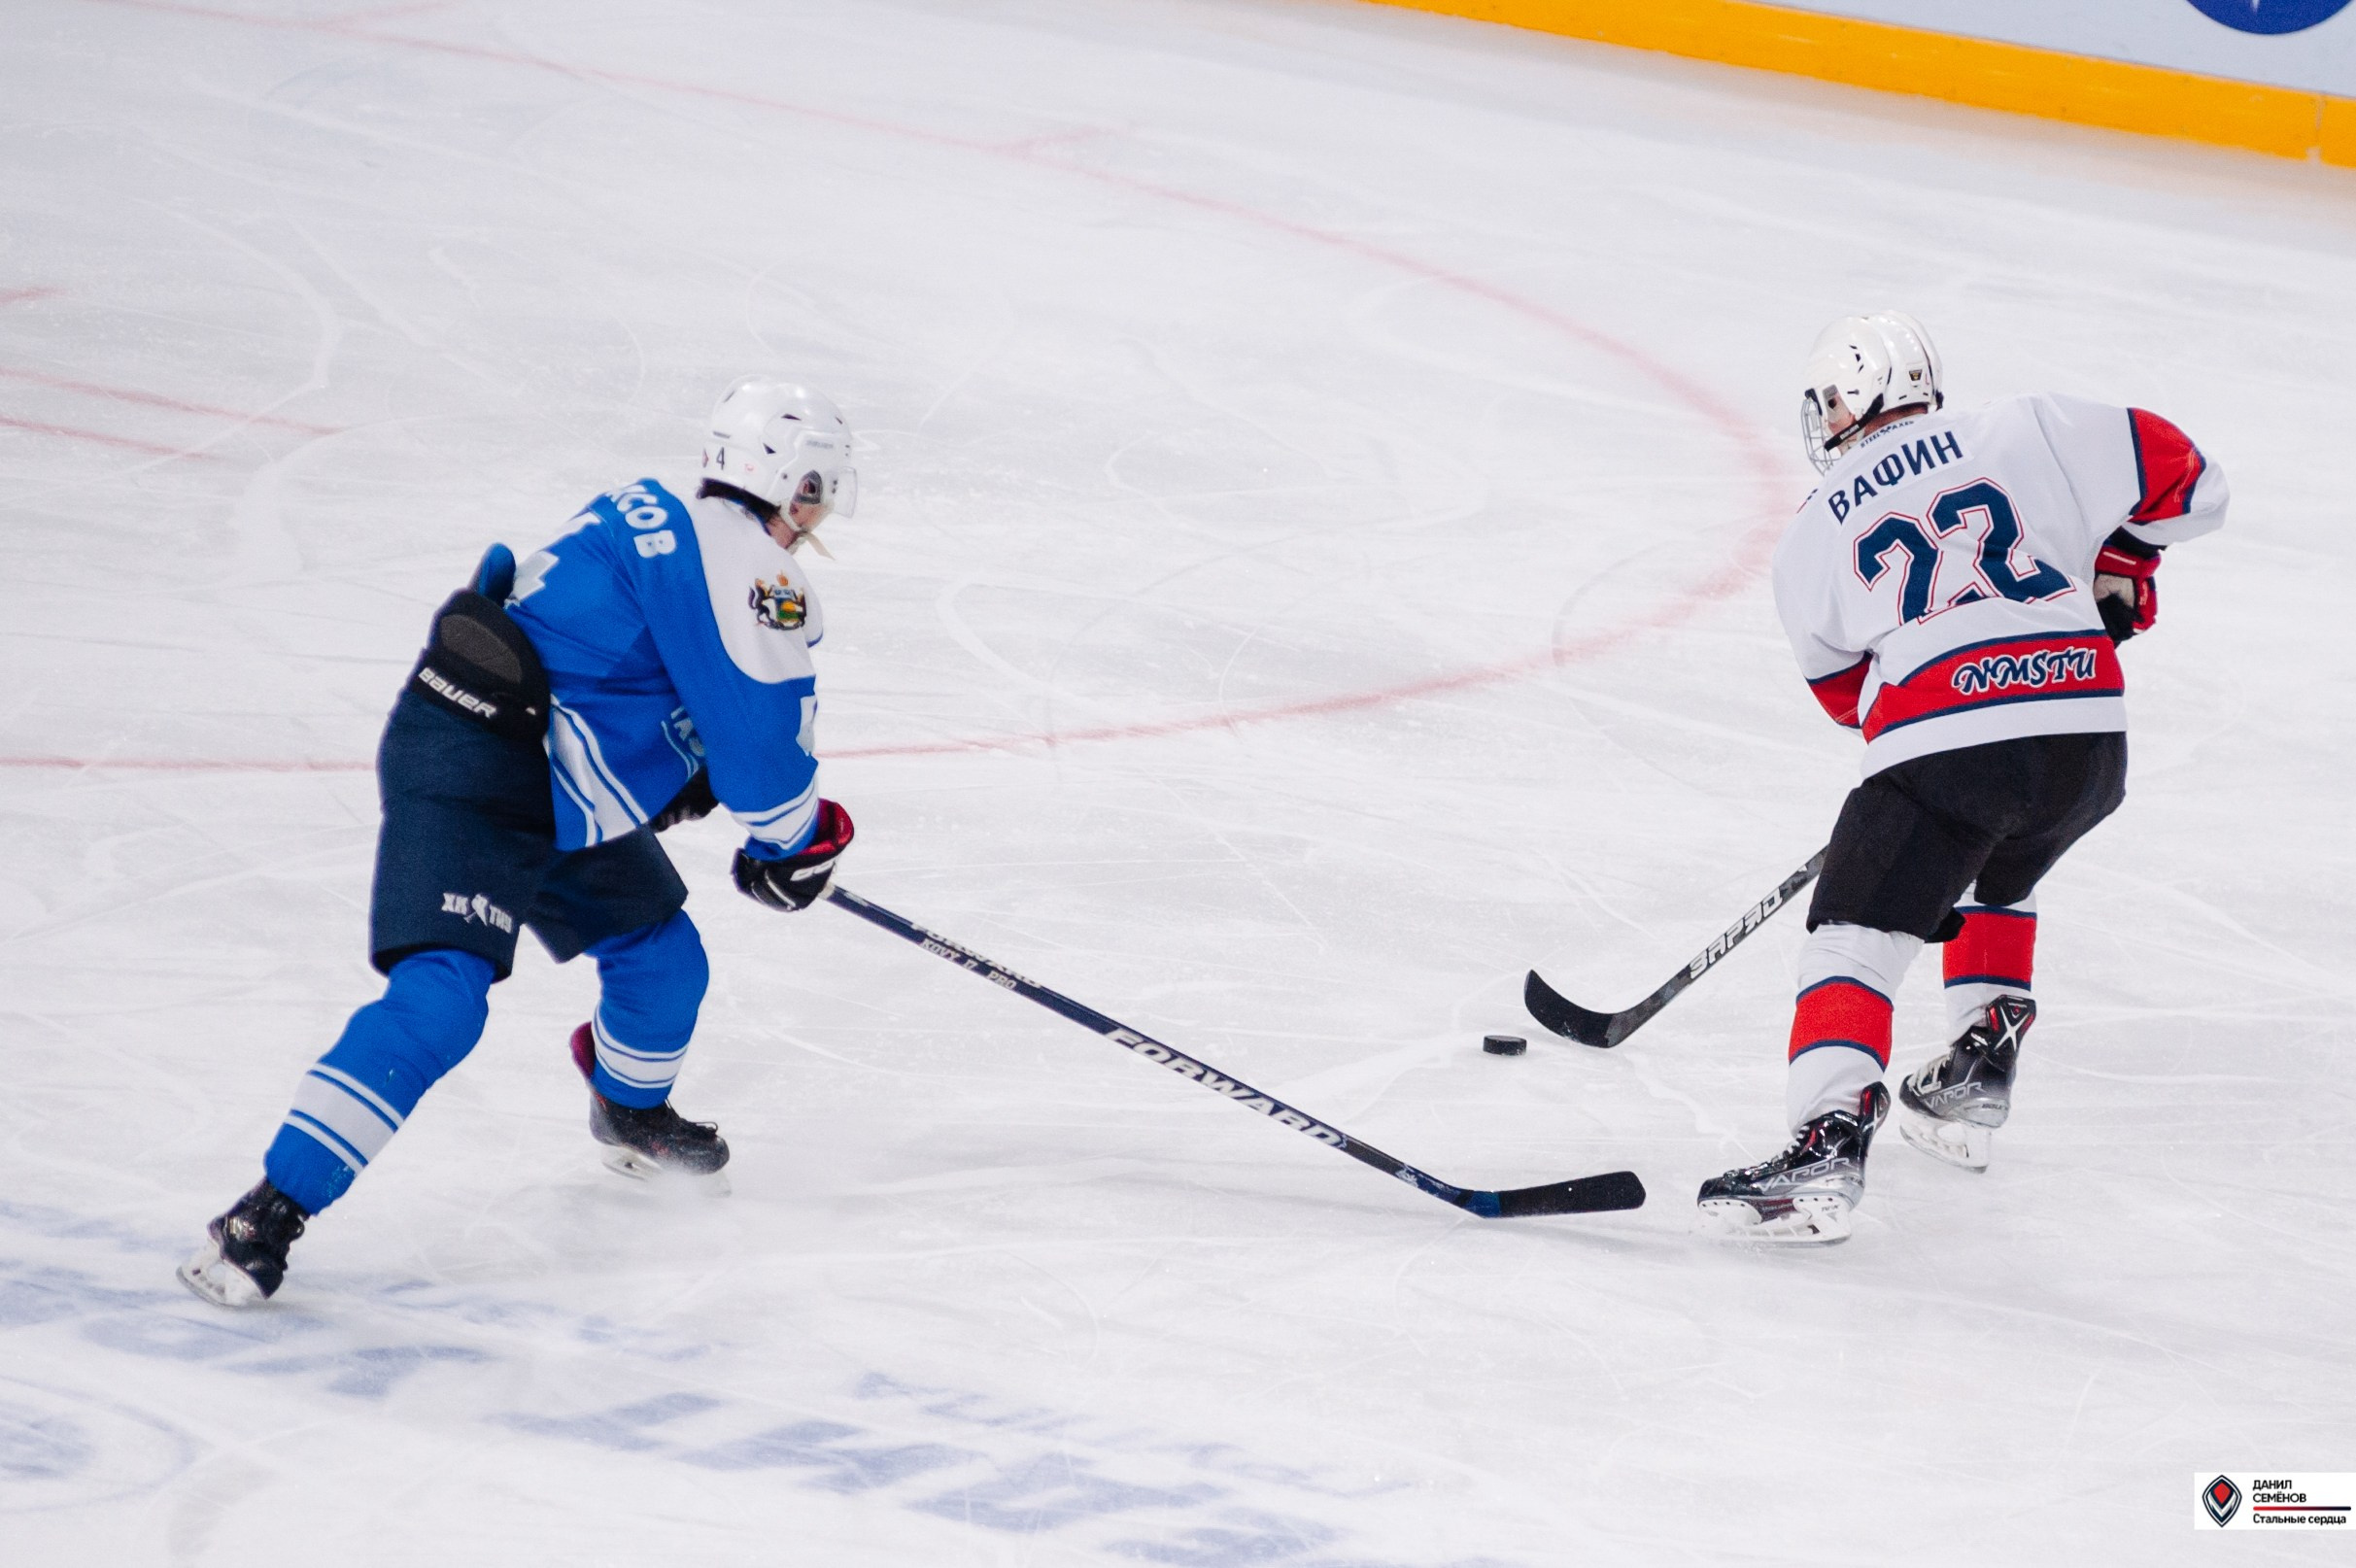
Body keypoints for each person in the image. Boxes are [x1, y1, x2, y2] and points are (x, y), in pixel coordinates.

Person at [180, 376, 863, 1307]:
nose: (813, 518)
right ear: (798, 483)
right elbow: (763, 755)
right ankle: (265, 1215)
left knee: (664, 962)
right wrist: (795, 842)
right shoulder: (748, 566)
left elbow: (626, 673)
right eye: (815, 493)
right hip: (478, 771)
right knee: (441, 1005)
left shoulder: (658, 517)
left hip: (542, 771)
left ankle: (628, 1111)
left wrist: (681, 773)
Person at [1696, 313, 2226, 1244]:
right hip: (2086, 737)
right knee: (1998, 865)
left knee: (1853, 937)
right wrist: (2121, 560)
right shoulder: (2028, 427)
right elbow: (2193, 481)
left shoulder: (1812, 529)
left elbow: (1848, 698)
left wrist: (1935, 741)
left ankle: (1825, 1143)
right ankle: (1978, 1065)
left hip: (1949, 744)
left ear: (1851, 401)